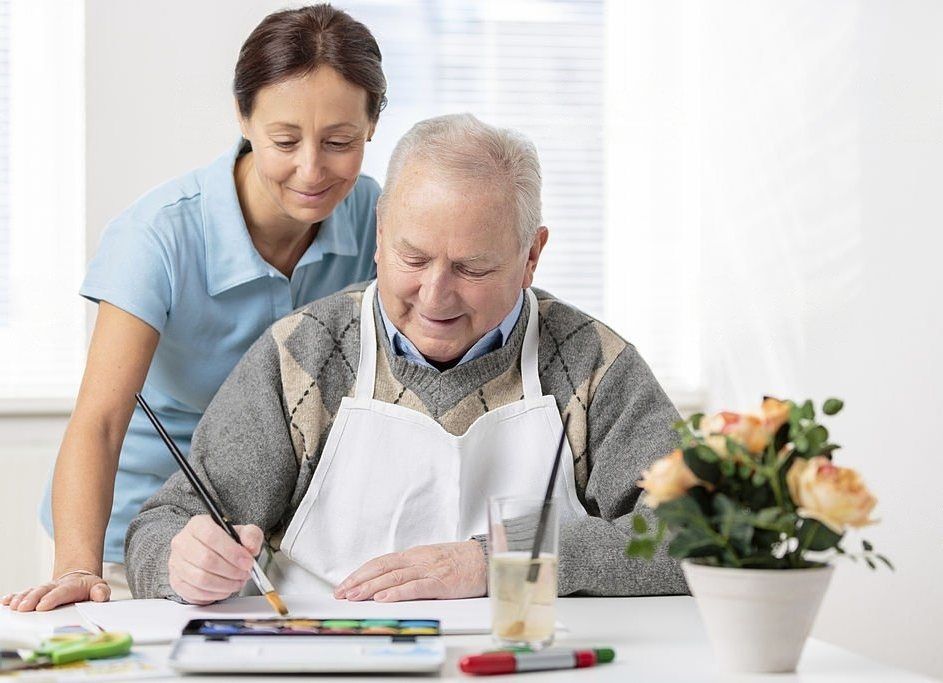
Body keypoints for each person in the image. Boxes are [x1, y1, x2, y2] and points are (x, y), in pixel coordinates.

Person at [125, 114, 687, 603]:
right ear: (379, 234)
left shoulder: (595, 363)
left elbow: (702, 534)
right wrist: (186, 562)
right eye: (413, 258)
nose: (435, 295)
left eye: (472, 268)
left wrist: (502, 555)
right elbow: (161, 528)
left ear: (532, 255)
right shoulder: (301, 354)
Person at [1, 4, 387, 612]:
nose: (312, 170)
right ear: (243, 117)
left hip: (271, 536)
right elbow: (100, 423)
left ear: (371, 128)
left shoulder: (376, 219)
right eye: (285, 140)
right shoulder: (157, 236)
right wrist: (79, 565)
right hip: (131, 538)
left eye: (339, 142)